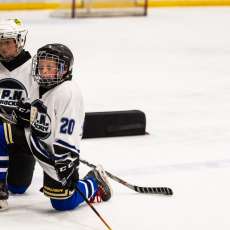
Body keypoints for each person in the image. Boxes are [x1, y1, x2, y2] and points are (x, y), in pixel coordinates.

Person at [28, 43, 112, 210]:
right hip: (34, 141)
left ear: (64, 69)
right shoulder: (37, 85)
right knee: (4, 133)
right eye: (42, 66)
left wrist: (66, 160)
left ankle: (94, 181)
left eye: (50, 67)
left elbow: (69, 132)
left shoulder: (68, 92)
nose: (44, 71)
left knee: (62, 203)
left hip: (52, 152)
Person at [0, 18, 39, 210]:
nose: (3, 48)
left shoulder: (34, 69)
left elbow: (44, 106)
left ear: (18, 42)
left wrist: (31, 114)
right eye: (0, 43)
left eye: (7, 42)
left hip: (21, 137)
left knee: (18, 187)